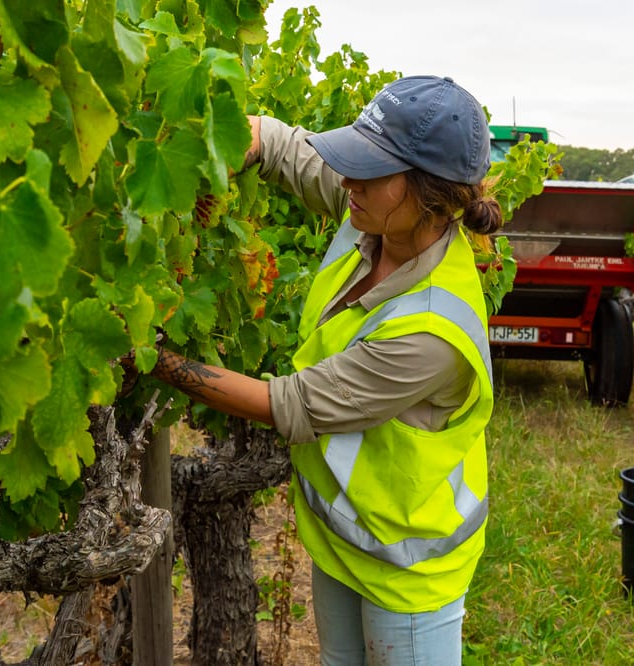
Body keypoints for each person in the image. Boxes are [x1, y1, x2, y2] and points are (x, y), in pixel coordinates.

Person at [143, 75, 502, 664]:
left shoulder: (431, 334)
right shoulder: (377, 216)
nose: (349, 180)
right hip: (345, 534)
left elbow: (288, 406)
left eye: (370, 169)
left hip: (407, 570)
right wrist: (240, 140)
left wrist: (157, 359)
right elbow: (287, 150)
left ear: (430, 196)